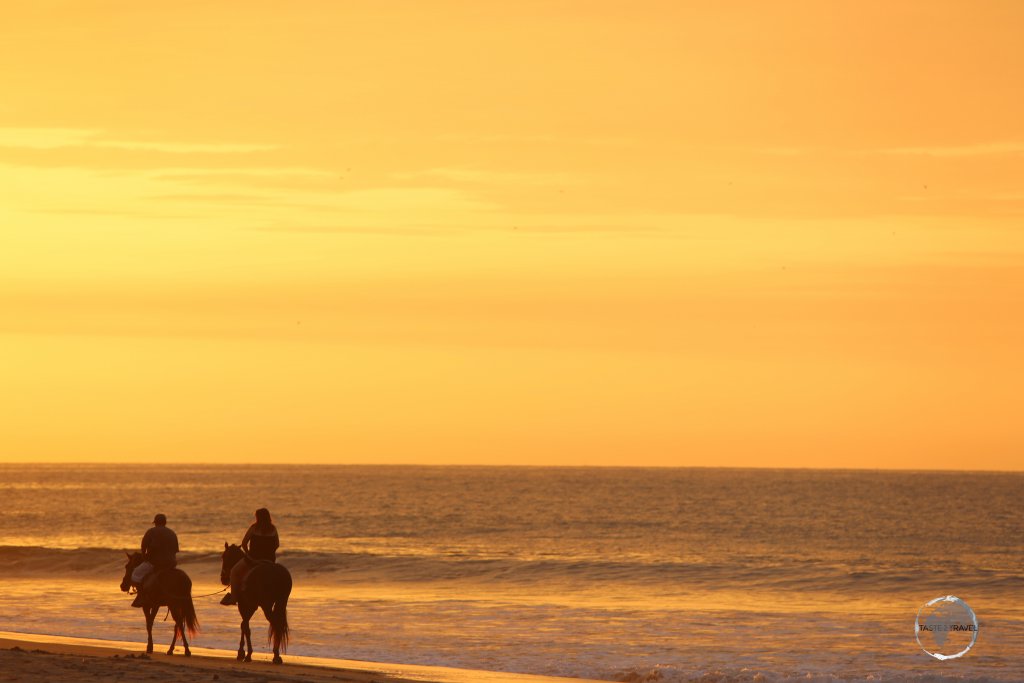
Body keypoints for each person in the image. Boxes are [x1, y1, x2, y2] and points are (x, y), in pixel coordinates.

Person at [221, 508, 279, 606]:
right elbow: (277, 544)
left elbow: (244, 543)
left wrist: (248, 554)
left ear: (258, 517)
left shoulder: (254, 527)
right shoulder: (273, 529)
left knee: (234, 572)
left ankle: (233, 598)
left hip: (254, 559)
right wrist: (268, 554)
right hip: (269, 560)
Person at [131, 513, 179, 607]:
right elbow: (175, 551)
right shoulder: (172, 533)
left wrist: (145, 558)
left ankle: (141, 596)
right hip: (171, 564)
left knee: (136, 573)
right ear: (165, 523)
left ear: (155, 523)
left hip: (155, 563)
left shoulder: (151, 532)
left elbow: (143, 547)